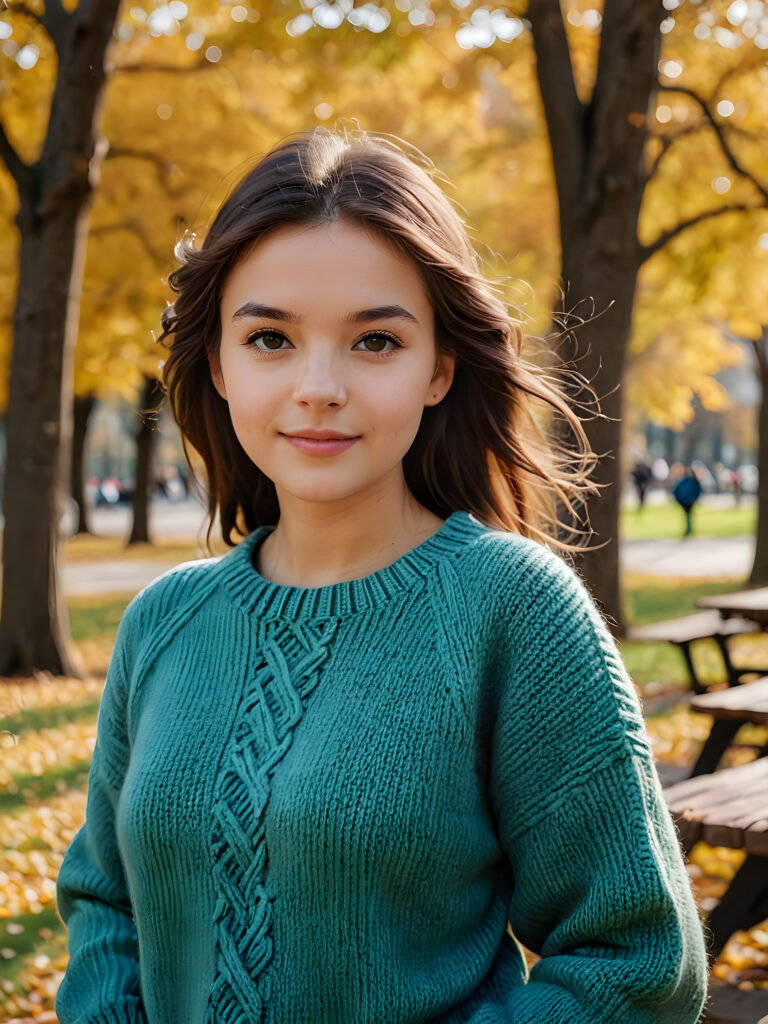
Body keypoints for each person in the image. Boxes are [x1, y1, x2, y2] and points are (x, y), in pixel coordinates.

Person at [54, 125, 709, 1024]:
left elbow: (635, 961)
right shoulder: (162, 622)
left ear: (440, 366)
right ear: (217, 362)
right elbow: (107, 904)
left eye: (374, 342)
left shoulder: (513, 611)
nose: (319, 385)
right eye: (271, 338)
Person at [673, 466, 703, 537]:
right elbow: (698, 491)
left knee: (687, 515)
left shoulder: (684, 481)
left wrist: (679, 499)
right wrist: (695, 498)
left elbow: (675, 490)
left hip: (684, 500)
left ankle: (688, 530)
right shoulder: (694, 481)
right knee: (689, 515)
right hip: (690, 500)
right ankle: (689, 530)